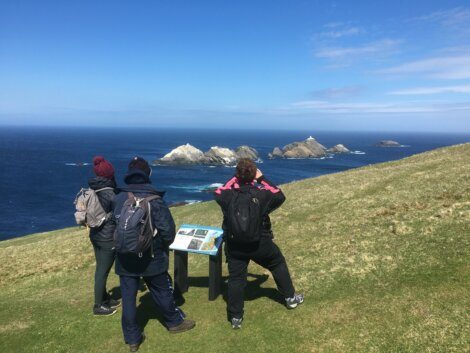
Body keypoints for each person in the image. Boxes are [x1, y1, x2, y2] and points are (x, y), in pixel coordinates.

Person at [113, 157, 195, 352]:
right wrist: (159, 246)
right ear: (148, 174)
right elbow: (168, 231)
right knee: (162, 290)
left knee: (129, 297)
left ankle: (132, 339)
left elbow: (112, 227)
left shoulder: (118, 198)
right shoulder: (155, 200)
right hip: (152, 256)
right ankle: (174, 322)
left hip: (125, 257)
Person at [214, 158, 303, 329]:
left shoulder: (227, 196)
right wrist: (261, 178)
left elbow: (218, 191)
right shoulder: (262, 195)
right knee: (277, 263)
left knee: (236, 279)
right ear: (254, 174)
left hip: (235, 245)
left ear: (237, 175)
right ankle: (290, 299)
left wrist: (236, 177)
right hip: (260, 243)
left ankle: (236, 317)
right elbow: (279, 194)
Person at [88, 156, 120, 316]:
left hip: (95, 234)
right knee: (103, 270)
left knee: (100, 268)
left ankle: (105, 297)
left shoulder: (93, 189)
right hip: (107, 237)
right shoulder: (109, 193)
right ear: (109, 174)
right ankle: (98, 305)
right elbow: (118, 214)